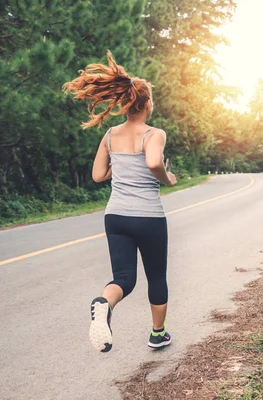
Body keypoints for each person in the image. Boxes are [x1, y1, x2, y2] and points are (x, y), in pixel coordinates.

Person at [63, 51, 177, 352]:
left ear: (125, 103)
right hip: (148, 216)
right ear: (147, 104)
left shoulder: (111, 135)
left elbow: (98, 175)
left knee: (124, 278)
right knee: (156, 276)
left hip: (116, 216)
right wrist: (167, 178)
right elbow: (154, 163)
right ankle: (157, 334)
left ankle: (104, 303)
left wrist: (122, 164)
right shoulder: (154, 134)